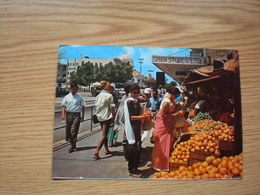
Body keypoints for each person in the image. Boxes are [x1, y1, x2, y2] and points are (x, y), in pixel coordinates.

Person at [152, 86, 183, 171]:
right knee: (161, 143)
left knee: (168, 142)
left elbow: (174, 106)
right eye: (176, 96)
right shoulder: (166, 102)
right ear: (172, 94)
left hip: (169, 124)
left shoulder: (172, 100)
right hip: (163, 124)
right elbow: (162, 114)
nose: (176, 97)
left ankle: (165, 164)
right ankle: (159, 165)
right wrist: (175, 115)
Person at [124, 84, 152, 178]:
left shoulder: (136, 101)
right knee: (133, 149)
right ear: (130, 92)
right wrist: (143, 117)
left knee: (137, 148)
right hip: (132, 127)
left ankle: (134, 168)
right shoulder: (129, 102)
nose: (136, 94)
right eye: (134, 93)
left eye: (137, 93)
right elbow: (130, 117)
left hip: (137, 126)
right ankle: (132, 170)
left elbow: (146, 102)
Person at [93, 81, 116, 160]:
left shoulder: (98, 95)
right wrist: (114, 116)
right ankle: (97, 150)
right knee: (104, 134)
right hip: (106, 116)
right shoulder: (109, 95)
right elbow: (112, 107)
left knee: (105, 133)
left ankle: (106, 149)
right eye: (109, 86)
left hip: (99, 116)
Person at [61, 83, 85, 153]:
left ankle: (71, 146)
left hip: (77, 115)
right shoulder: (67, 97)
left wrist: (82, 116)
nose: (75, 90)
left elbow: (83, 106)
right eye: (73, 89)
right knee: (68, 130)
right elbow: (63, 106)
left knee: (73, 131)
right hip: (68, 114)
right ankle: (73, 144)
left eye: (76, 89)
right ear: (70, 89)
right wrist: (63, 115)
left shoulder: (79, 97)